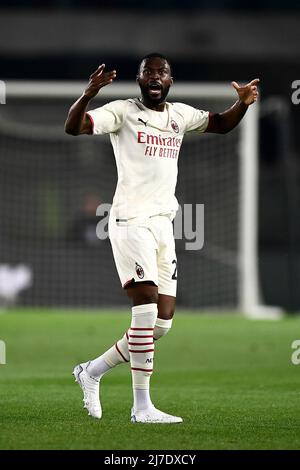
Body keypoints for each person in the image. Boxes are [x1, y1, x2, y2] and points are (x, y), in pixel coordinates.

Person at [65, 53, 259, 424]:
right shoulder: (122, 111)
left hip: (162, 224)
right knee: (146, 306)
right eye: (148, 72)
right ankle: (142, 407)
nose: (155, 77)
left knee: (162, 323)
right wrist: (88, 94)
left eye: (162, 72)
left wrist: (242, 104)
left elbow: (219, 124)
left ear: (170, 80)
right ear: (139, 80)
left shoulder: (179, 116)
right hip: (128, 220)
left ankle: (91, 371)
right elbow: (74, 127)